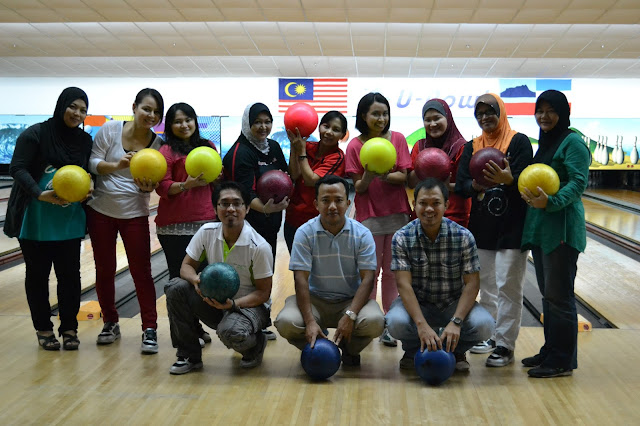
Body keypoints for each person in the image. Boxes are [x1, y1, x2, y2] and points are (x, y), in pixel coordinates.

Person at [4, 87, 93, 351]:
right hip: (36, 216)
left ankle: (69, 328)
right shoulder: (36, 133)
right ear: (61, 105)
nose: (77, 113)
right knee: (38, 276)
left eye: (83, 110)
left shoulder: (83, 141)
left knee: (70, 276)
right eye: (73, 106)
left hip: (69, 217)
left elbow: (86, 172)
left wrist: (89, 185)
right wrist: (40, 194)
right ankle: (43, 328)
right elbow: (17, 168)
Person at [454, 93, 533, 367]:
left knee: (508, 286)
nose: (485, 117)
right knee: (486, 285)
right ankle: (488, 335)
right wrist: (476, 186)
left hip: (512, 226)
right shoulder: (472, 145)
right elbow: (462, 184)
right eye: (480, 113)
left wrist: (509, 179)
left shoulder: (519, 141)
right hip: (483, 226)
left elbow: (527, 181)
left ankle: (505, 345)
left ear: (501, 112)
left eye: (490, 112)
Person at [164, 181, 273, 374]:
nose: (230, 208)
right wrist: (195, 280)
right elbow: (186, 266)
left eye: (237, 203)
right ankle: (189, 355)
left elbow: (263, 293)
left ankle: (255, 345)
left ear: (247, 208)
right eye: (224, 203)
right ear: (216, 208)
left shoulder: (259, 246)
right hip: (214, 301)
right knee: (175, 287)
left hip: (249, 307)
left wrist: (233, 305)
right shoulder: (206, 232)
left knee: (231, 332)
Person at [386, 178, 494, 372]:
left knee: (485, 325)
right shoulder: (402, 237)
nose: (429, 209)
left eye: (435, 203)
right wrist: (421, 325)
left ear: (446, 205)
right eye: (423, 203)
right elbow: (404, 285)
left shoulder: (463, 236)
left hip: (452, 303)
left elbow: (472, 284)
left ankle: (457, 350)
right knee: (395, 322)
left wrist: (457, 321)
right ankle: (412, 350)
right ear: (414, 204)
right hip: (417, 304)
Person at [274, 176, 385, 366]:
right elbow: (300, 279)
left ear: (348, 203)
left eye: (338, 200)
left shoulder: (362, 234)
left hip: (349, 300)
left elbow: (368, 279)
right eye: (326, 200)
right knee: (286, 322)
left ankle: (350, 349)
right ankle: (319, 346)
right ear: (316, 204)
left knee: (376, 321)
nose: (332, 206)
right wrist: (309, 321)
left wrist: (350, 315)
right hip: (315, 300)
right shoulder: (304, 232)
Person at [87, 88, 164, 354]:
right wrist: (117, 166)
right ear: (134, 107)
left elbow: (152, 184)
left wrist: (146, 188)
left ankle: (149, 328)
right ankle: (110, 322)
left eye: (156, 112)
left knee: (141, 272)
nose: (150, 115)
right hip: (101, 211)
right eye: (146, 109)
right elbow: (93, 163)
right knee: (104, 270)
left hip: (135, 212)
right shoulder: (109, 130)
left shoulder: (157, 144)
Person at [520, 90, 590, 378]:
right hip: (543, 228)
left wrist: (551, 202)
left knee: (559, 297)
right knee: (549, 297)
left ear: (563, 113)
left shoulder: (573, 142)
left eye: (551, 110)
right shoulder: (548, 142)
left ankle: (562, 360)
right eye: (540, 110)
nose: (544, 116)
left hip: (561, 228)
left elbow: (578, 182)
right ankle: (551, 349)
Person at [345, 92, 412, 347]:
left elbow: (404, 175)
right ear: (364, 116)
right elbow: (359, 188)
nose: (381, 118)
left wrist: (382, 172)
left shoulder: (397, 139)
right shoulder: (355, 145)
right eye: (375, 113)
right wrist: (370, 174)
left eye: (384, 113)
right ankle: (369, 320)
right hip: (369, 218)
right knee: (369, 273)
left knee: (393, 273)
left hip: (397, 217)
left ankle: (389, 323)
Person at [156, 102, 220, 346]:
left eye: (188, 119)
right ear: (170, 126)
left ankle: (197, 325)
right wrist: (186, 185)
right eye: (178, 121)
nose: (184, 125)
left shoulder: (208, 146)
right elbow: (161, 186)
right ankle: (188, 332)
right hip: (174, 226)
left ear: (195, 121)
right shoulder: (166, 151)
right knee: (180, 282)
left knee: (202, 279)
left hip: (206, 221)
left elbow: (215, 182)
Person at [222, 102, 288, 341]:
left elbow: (284, 177)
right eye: (257, 122)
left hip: (270, 221)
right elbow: (244, 193)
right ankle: (243, 324)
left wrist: (274, 208)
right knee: (247, 278)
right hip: (246, 225)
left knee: (263, 274)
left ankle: (260, 321)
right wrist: (266, 208)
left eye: (267, 121)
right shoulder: (241, 152)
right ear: (247, 124)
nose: (263, 127)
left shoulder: (274, 147)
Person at [284, 111, 347, 253]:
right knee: (299, 270)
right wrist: (294, 147)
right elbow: (294, 174)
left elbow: (311, 180)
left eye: (336, 130)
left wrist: (300, 152)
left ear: (342, 136)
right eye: (326, 126)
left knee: (319, 270)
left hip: (319, 224)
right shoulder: (306, 146)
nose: (329, 132)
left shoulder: (337, 157)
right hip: (293, 219)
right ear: (319, 126)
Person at [408, 98, 471, 227]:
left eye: (437, 118)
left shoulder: (461, 147)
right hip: (423, 215)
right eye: (427, 120)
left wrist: (446, 186)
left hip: (454, 216)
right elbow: (410, 183)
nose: (432, 124)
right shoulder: (419, 147)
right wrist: (423, 165)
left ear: (447, 118)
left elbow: (466, 187)